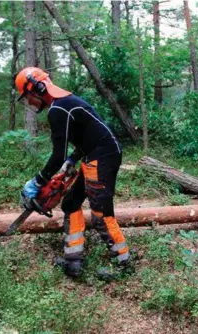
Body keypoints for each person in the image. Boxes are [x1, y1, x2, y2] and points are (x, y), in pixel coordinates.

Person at [15, 67, 130, 278]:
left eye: (28, 98)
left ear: (37, 89)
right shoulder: (65, 103)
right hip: (93, 153)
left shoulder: (59, 109)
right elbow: (89, 134)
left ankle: (123, 264)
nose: (30, 103)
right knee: (70, 203)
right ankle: (73, 260)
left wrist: (37, 181)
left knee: (101, 214)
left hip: (102, 156)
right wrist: (72, 159)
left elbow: (56, 156)